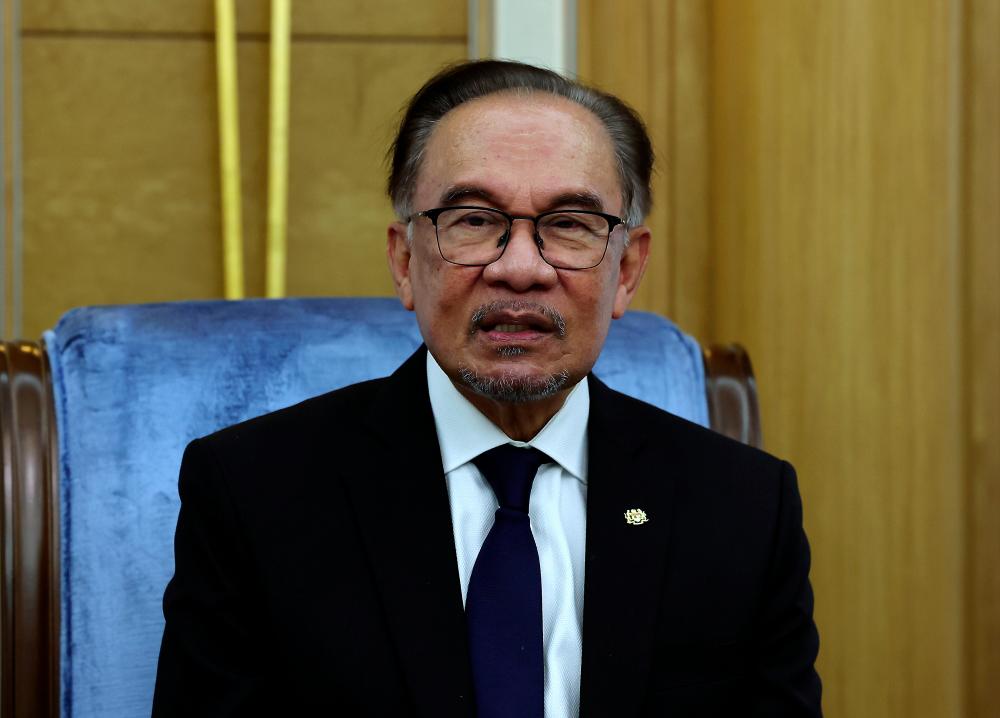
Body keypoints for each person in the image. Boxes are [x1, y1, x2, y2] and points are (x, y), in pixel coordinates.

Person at [152, 60, 821, 717]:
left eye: (569, 224)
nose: (521, 269)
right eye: (473, 219)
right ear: (405, 260)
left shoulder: (743, 509)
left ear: (628, 269)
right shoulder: (253, 494)